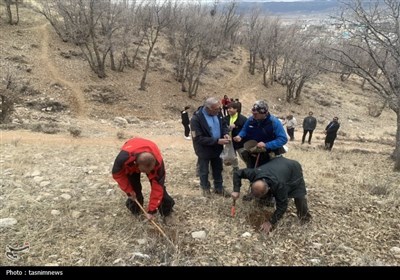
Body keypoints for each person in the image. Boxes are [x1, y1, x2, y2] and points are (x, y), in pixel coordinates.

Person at [231, 156, 312, 234]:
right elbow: (237, 173)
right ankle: (265, 201)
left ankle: (305, 218)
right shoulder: (254, 173)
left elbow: (282, 206)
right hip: (278, 163)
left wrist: (271, 222)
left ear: (268, 189)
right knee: (263, 199)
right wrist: (236, 190)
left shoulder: (280, 185)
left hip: (293, 168)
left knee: (298, 194)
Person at [112, 137, 175, 220]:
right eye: (144, 171)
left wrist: (151, 210)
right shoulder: (123, 158)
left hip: (147, 159)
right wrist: (128, 190)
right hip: (131, 157)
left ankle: (166, 210)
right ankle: (136, 211)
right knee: (134, 190)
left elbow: (157, 188)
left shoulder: (158, 164)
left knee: (161, 189)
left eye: (149, 171)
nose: (147, 173)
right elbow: (117, 174)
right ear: (136, 164)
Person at [190, 97, 231, 197]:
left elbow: (224, 125)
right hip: (204, 149)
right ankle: (205, 189)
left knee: (218, 168)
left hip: (217, 148)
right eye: (216, 109)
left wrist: (225, 133)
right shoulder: (196, 119)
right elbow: (198, 138)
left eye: (219, 108)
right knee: (204, 170)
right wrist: (216, 141)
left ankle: (219, 188)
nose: (219, 111)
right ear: (208, 108)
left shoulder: (218, 113)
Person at [233, 100, 288, 169]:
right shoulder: (251, 119)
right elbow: (245, 129)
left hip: (270, 153)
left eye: (256, 114)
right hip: (253, 151)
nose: (253, 115)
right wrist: (240, 135)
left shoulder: (274, 122)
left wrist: (266, 145)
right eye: (253, 113)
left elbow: (283, 139)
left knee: (268, 175)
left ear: (265, 113)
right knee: (253, 173)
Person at [224, 102, 248, 172]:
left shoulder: (243, 119)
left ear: (236, 109)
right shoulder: (225, 119)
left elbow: (246, 130)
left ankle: (250, 167)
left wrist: (238, 130)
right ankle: (235, 168)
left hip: (241, 143)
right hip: (230, 142)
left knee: (244, 156)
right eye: (228, 108)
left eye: (230, 108)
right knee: (232, 157)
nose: (228, 110)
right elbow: (223, 128)